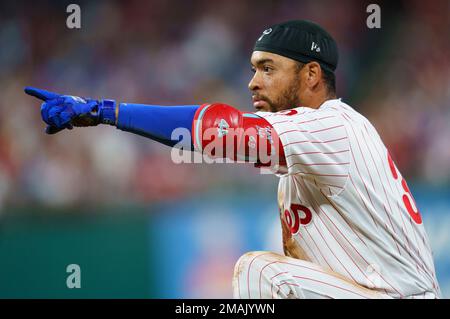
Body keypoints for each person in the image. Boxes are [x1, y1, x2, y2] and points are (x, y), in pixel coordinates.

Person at [25, 20, 440, 299]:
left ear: (312, 75)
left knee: (261, 273)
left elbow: (215, 132)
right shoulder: (311, 148)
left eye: (268, 68)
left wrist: (108, 111)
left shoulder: (331, 127)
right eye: (253, 68)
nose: (252, 81)